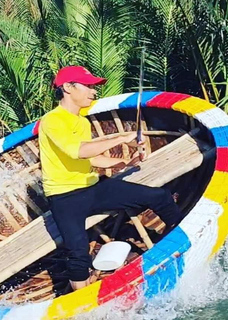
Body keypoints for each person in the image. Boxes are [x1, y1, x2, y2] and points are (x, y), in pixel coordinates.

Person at [38, 66, 182, 291]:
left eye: (94, 87)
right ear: (67, 87)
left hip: (93, 188)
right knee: (78, 254)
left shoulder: (83, 122)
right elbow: (79, 151)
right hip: (65, 198)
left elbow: (92, 159)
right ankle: (84, 307)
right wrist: (123, 138)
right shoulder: (52, 120)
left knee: (159, 196)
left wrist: (124, 164)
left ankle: (180, 237)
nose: (93, 92)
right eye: (88, 86)